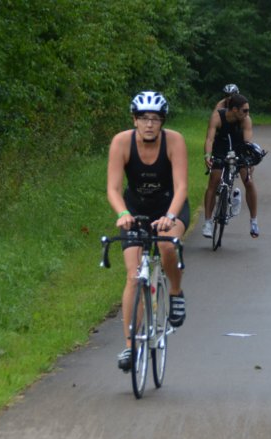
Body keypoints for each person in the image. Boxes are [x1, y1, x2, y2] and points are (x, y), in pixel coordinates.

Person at [107, 91, 189, 371]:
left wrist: (170, 216)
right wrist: (122, 214)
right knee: (133, 276)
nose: (149, 124)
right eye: (143, 118)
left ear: (162, 122)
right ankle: (130, 347)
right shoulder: (121, 142)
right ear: (134, 120)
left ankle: (175, 291)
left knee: (166, 244)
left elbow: (181, 187)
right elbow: (113, 188)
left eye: (155, 118)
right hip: (135, 210)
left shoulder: (174, 141)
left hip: (169, 206)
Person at [202, 93, 260, 238]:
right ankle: (208, 222)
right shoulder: (217, 117)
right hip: (220, 148)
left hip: (239, 148)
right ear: (234, 110)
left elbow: (247, 143)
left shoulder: (246, 120)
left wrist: (249, 161)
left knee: (248, 181)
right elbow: (209, 139)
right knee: (214, 181)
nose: (247, 113)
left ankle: (254, 221)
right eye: (244, 110)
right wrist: (207, 155)